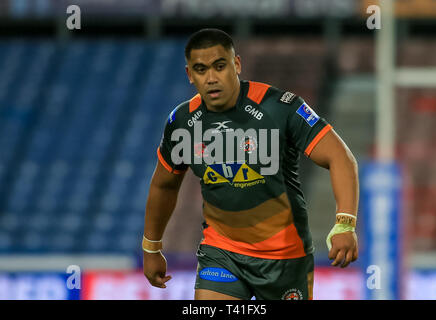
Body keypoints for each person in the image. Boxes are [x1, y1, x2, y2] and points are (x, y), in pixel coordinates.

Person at [142, 28, 359, 300]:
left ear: (237, 64)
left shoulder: (280, 107)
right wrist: (151, 247)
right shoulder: (183, 122)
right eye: (201, 69)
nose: (211, 78)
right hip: (221, 254)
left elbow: (340, 157)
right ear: (190, 75)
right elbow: (164, 185)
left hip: (285, 258)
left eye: (220, 66)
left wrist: (345, 224)